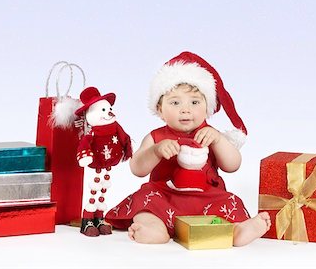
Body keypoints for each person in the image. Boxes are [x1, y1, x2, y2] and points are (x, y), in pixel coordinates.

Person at [105, 52, 271, 246]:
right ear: (159, 109)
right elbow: (137, 169)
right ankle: (154, 228)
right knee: (145, 200)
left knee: (229, 201)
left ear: (207, 106)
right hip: (165, 198)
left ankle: (236, 231)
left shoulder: (211, 134)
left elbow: (233, 165)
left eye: (194, 102)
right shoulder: (156, 137)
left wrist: (218, 140)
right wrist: (156, 151)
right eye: (175, 102)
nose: (185, 109)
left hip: (206, 198)